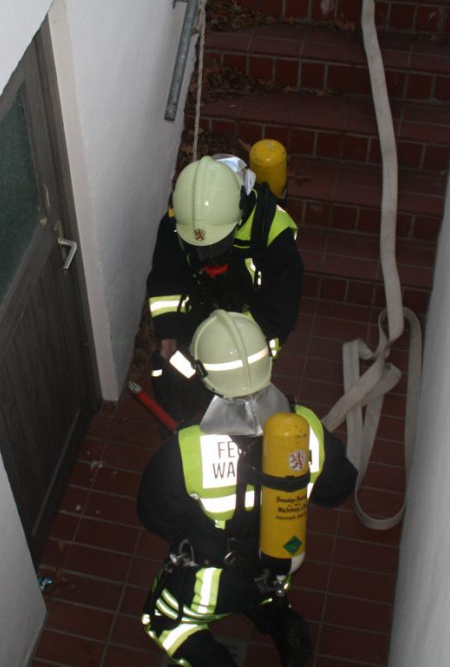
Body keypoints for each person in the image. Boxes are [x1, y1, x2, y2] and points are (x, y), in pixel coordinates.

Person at [137, 310, 356, 667]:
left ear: (205, 376)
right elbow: (338, 489)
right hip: (279, 562)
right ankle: (282, 620)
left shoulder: (187, 449)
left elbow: (155, 516)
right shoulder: (306, 426)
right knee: (264, 594)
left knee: (162, 621)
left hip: (215, 581)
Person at [146, 154, 303, 424]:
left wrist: (239, 346)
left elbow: (280, 306)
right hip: (200, 306)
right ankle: (184, 415)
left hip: (254, 320)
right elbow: (166, 280)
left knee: (241, 387)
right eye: (197, 248)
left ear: (239, 213)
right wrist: (168, 333)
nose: (206, 257)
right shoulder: (177, 222)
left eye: (216, 245)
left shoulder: (273, 233)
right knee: (176, 371)